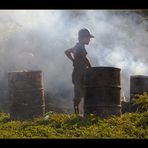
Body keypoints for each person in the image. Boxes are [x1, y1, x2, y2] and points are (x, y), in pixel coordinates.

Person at [65, 28, 94, 114]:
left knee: (79, 94)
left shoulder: (77, 46)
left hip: (79, 73)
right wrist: (92, 69)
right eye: (88, 38)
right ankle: (83, 112)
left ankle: (77, 112)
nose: (89, 39)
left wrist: (73, 60)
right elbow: (85, 59)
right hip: (79, 74)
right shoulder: (80, 47)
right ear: (83, 38)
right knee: (82, 93)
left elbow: (67, 52)